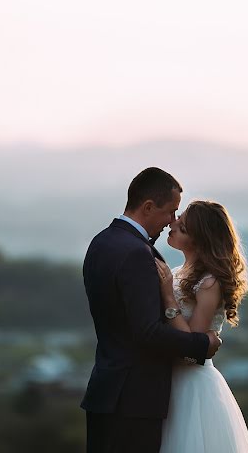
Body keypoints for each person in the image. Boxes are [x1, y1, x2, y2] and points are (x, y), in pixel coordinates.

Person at [81, 168, 222, 453]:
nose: (173, 220)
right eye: (170, 212)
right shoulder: (135, 252)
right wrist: (202, 344)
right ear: (148, 207)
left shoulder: (102, 242)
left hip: (106, 390)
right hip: (134, 400)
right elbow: (147, 331)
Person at [154, 199, 248, 453]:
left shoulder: (209, 283)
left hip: (192, 388)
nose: (172, 225)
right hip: (167, 381)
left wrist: (167, 296)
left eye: (183, 227)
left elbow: (192, 345)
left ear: (199, 241)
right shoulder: (177, 272)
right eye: (179, 218)